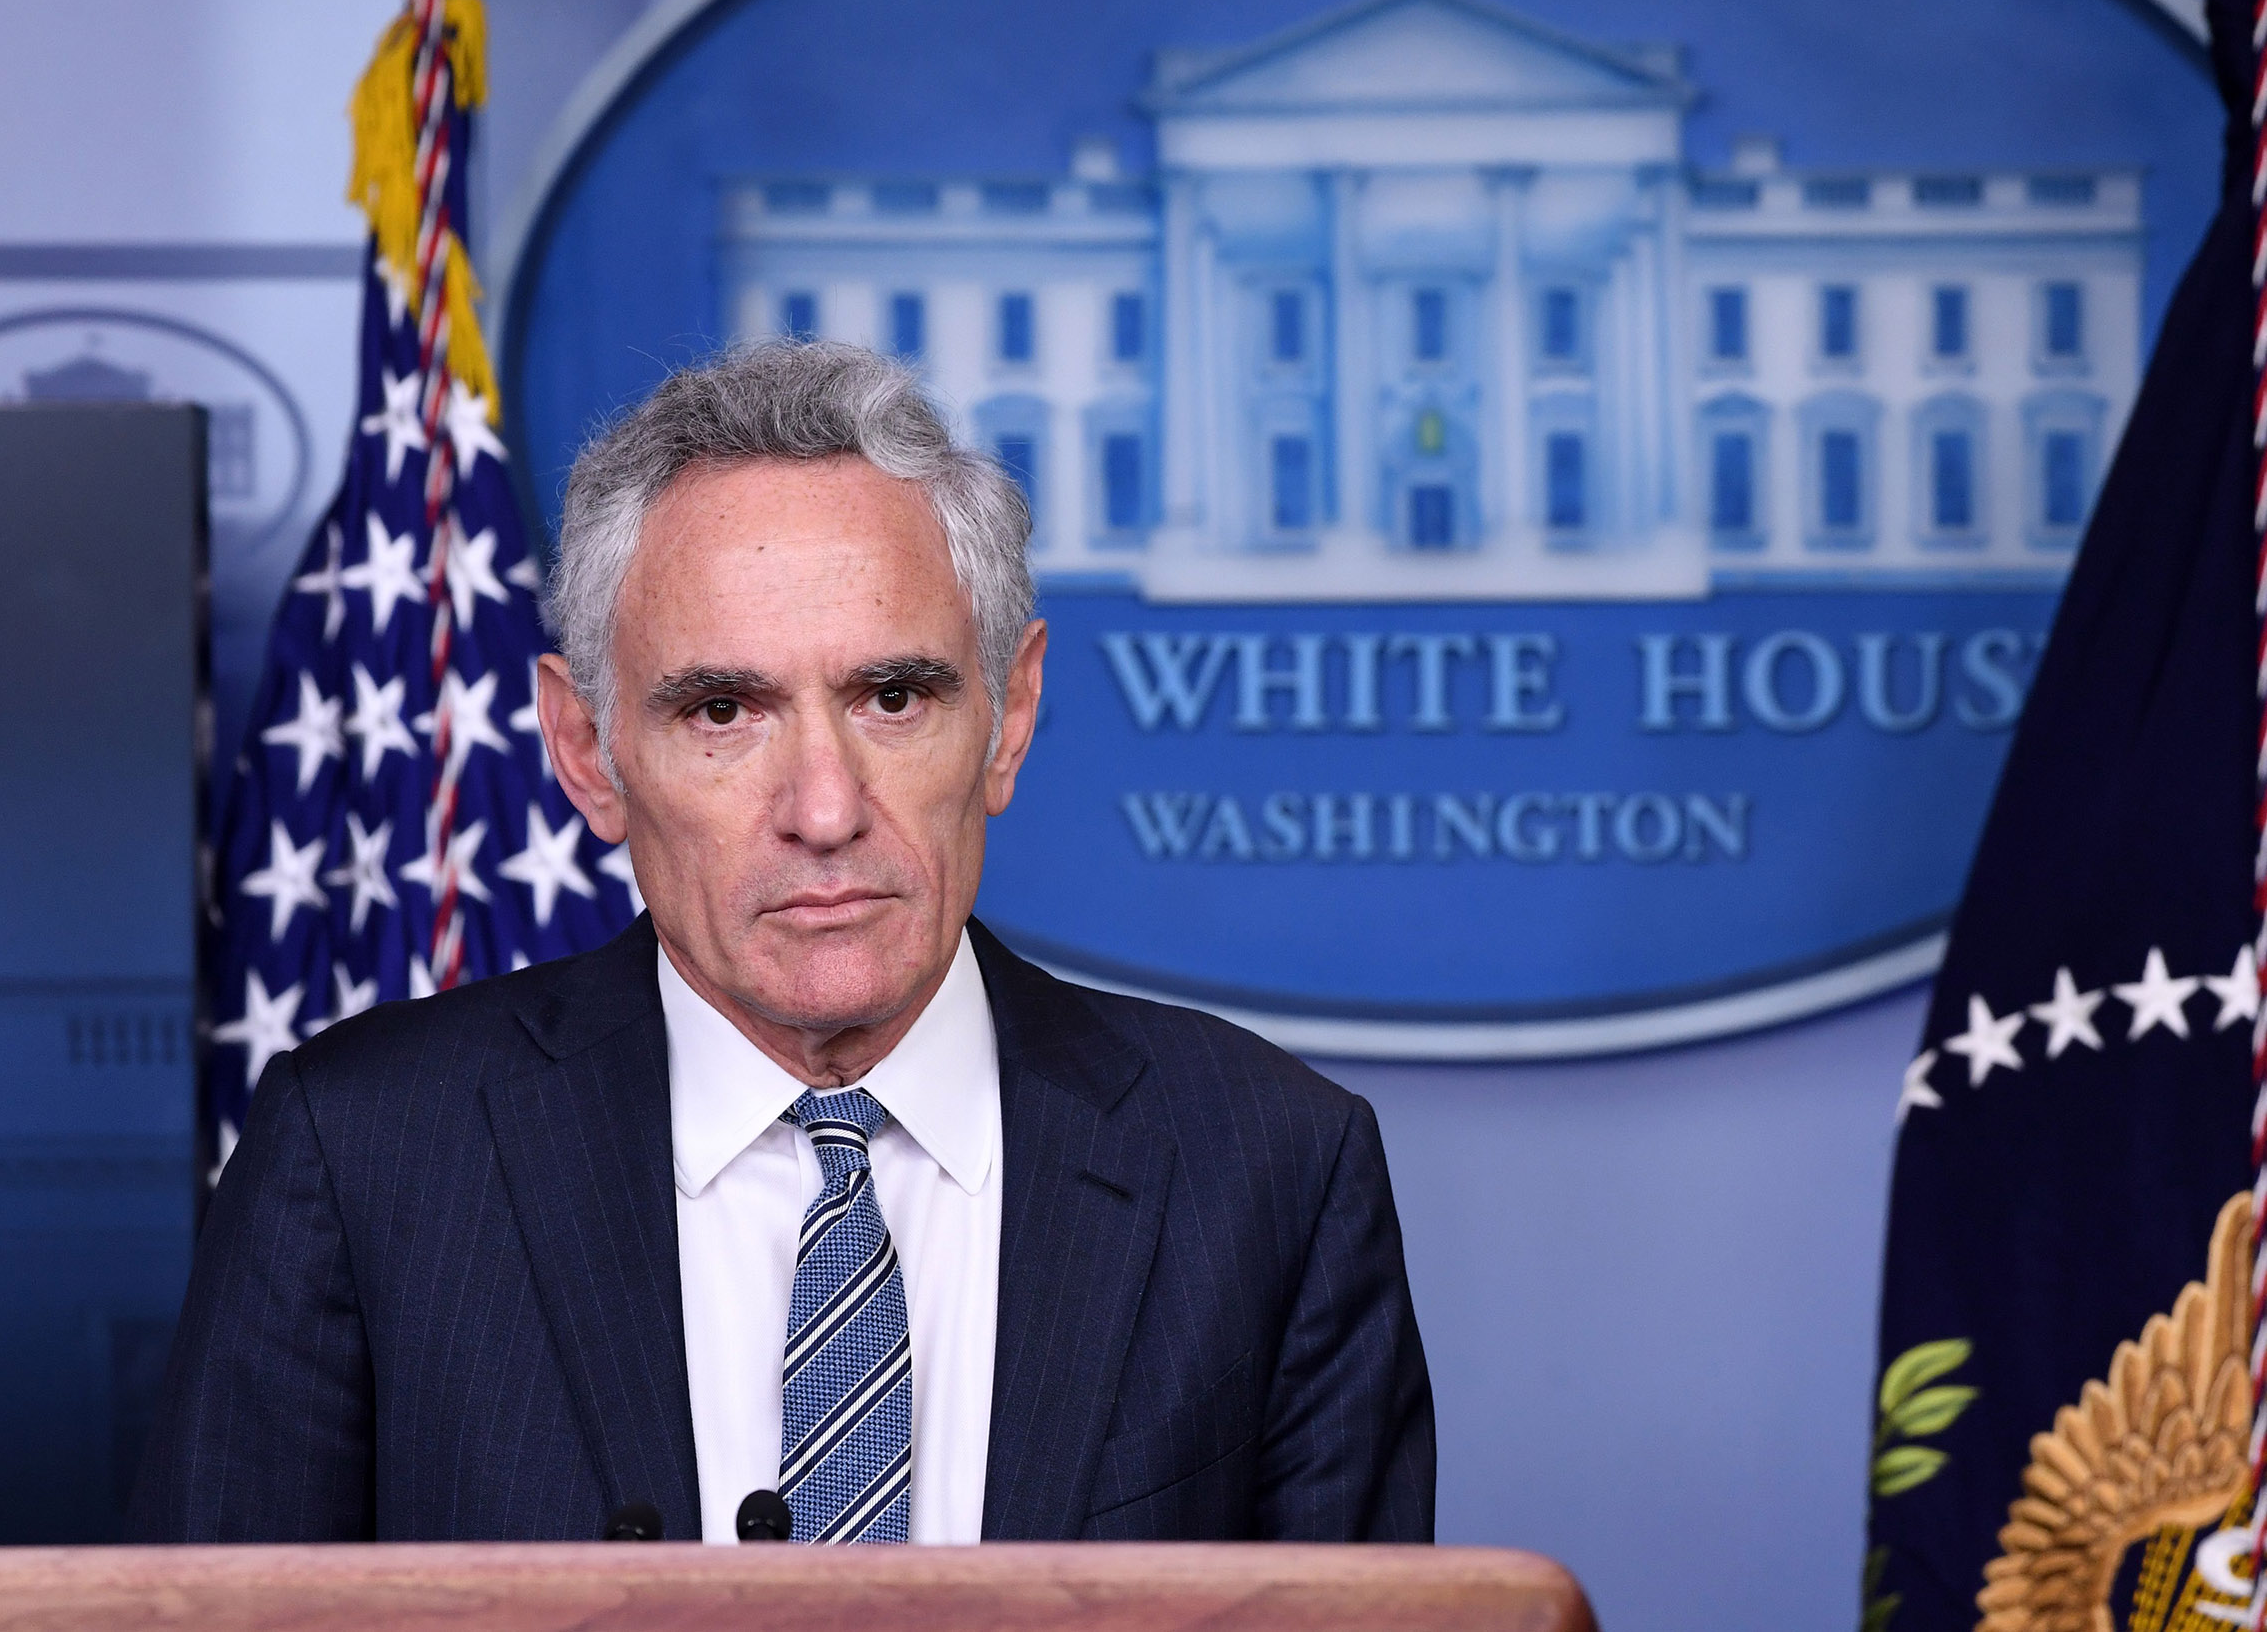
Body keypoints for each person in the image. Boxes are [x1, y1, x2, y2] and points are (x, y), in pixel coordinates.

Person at [130, 341, 1436, 1545]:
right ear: (587, 752)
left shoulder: (1268, 1169)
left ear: (1011, 714)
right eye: (722, 710)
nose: (824, 808)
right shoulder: (362, 1162)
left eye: (893, 695)